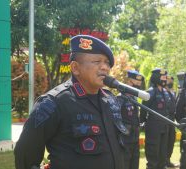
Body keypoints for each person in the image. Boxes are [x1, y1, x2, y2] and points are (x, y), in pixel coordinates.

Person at [14, 35, 128, 169]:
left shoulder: (111, 100)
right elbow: (25, 157)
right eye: (97, 62)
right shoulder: (53, 103)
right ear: (75, 68)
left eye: (107, 62)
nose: (105, 67)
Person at [140, 68, 171, 169]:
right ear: (157, 78)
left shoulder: (165, 92)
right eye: (162, 77)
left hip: (164, 127)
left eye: (165, 77)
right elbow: (143, 110)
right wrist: (143, 123)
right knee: (153, 155)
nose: (164, 79)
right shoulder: (150, 92)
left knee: (162, 155)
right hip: (153, 127)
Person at [117, 70, 144, 169]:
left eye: (139, 82)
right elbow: (116, 120)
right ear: (129, 81)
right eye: (136, 81)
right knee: (125, 163)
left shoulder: (134, 98)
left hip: (134, 137)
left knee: (135, 163)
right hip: (125, 139)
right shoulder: (120, 98)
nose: (139, 84)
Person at [165, 76, 178, 168]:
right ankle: (164, 161)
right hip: (165, 119)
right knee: (165, 142)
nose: (171, 82)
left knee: (171, 141)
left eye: (172, 81)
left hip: (172, 120)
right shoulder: (163, 92)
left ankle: (168, 160)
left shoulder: (172, 92)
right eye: (169, 80)